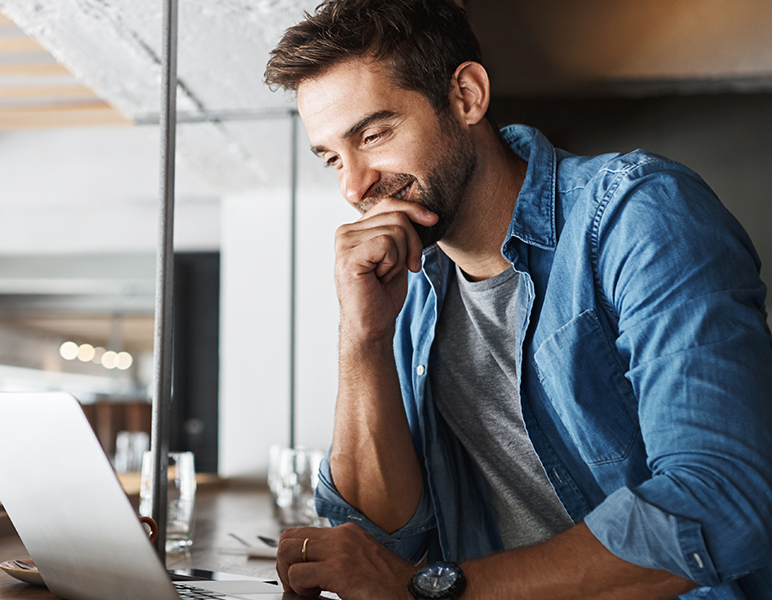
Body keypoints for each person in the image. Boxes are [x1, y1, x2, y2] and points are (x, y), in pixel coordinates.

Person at [262, 1, 772, 599]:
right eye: (331, 159)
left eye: (373, 135)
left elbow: (723, 498)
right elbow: (375, 544)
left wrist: (435, 590)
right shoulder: (407, 284)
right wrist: (362, 338)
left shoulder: (637, 215)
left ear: (467, 96)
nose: (354, 185)